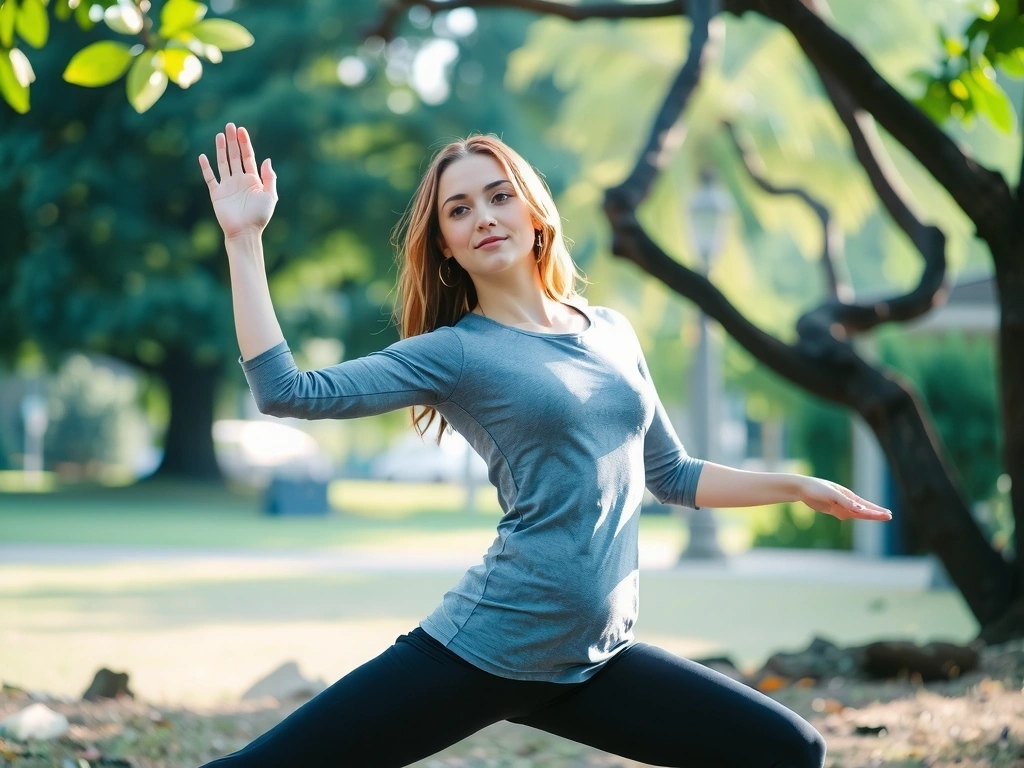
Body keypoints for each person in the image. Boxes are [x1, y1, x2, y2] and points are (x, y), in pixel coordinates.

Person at [196, 123, 892, 768]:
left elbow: (672, 475)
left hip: (593, 661)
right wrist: (244, 239)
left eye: (499, 196)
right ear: (444, 242)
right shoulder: (455, 353)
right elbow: (285, 390)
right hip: (485, 646)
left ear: (535, 211)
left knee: (788, 749)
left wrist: (798, 486)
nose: (484, 217)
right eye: (459, 209)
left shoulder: (610, 329)